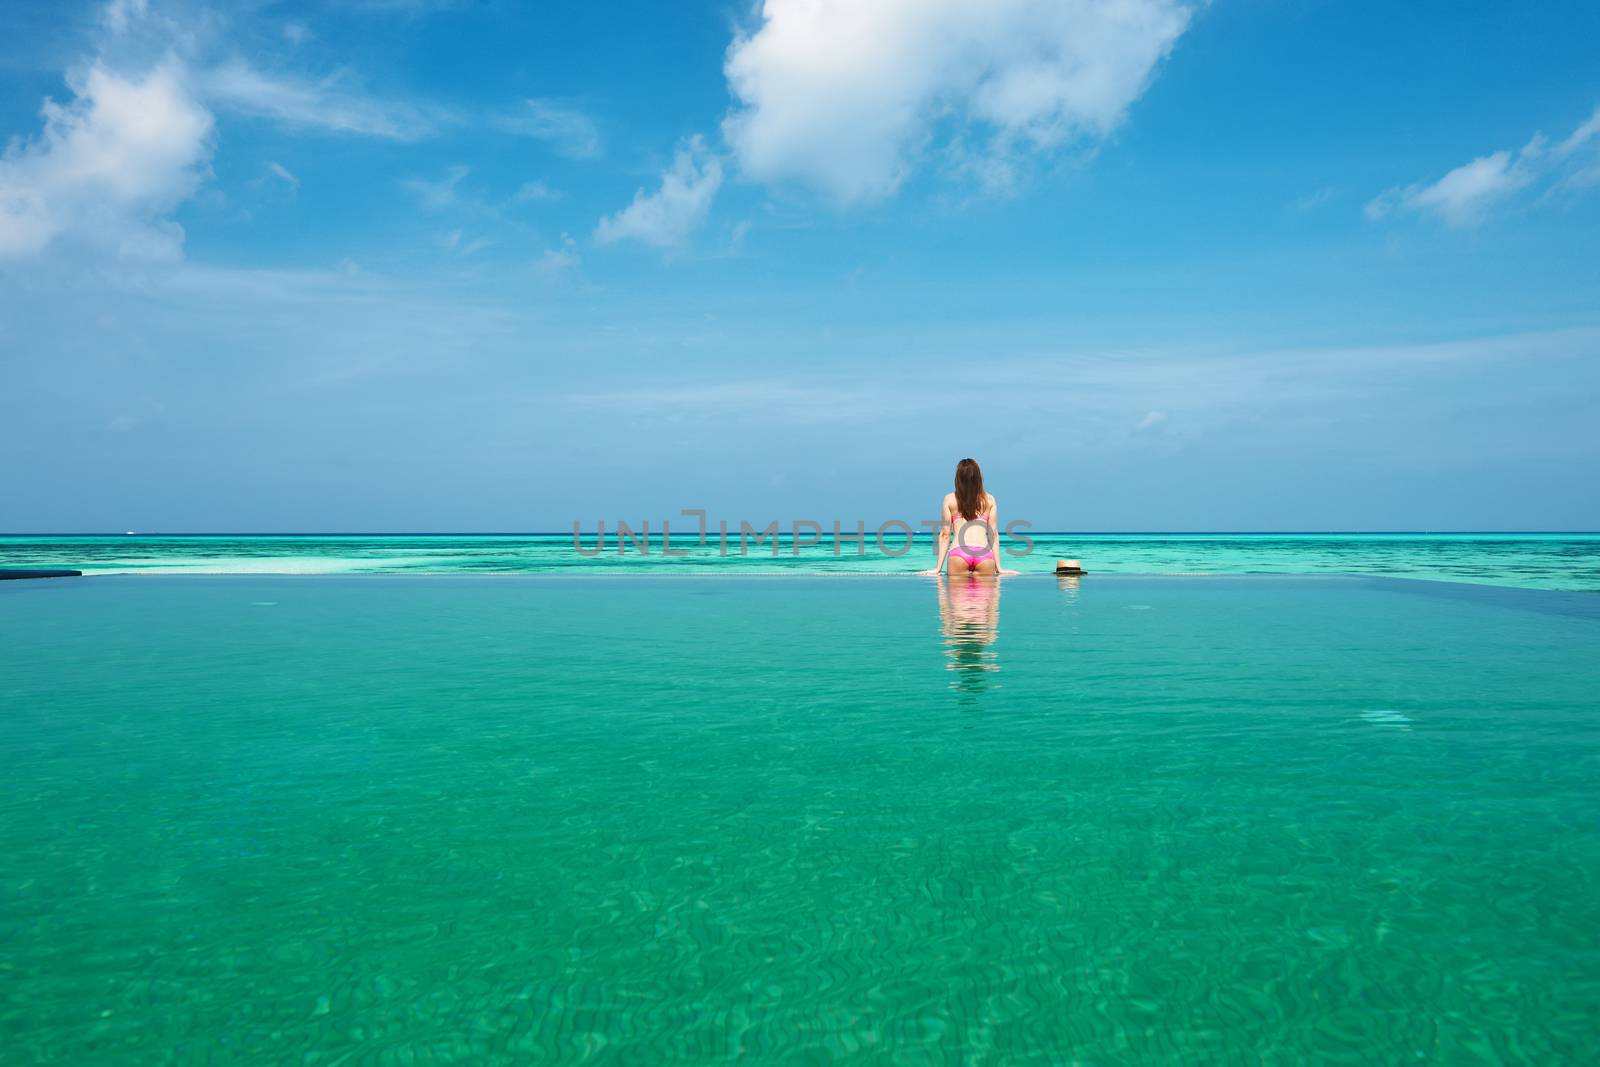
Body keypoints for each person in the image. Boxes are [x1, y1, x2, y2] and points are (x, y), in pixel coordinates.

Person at [919, 458, 1017, 577]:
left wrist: (938, 568)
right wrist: (999, 568)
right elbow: (993, 534)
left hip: (959, 553)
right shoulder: (989, 500)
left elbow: (945, 535)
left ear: (958, 478)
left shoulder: (949, 499)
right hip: (984, 554)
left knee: (954, 595)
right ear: (978, 478)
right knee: (987, 596)